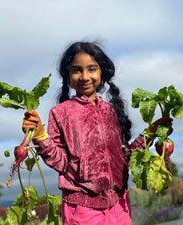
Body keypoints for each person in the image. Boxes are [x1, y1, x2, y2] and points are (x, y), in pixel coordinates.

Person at [22, 41, 172, 225]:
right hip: (82, 210)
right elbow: (60, 162)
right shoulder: (61, 112)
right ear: (67, 76)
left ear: (102, 72)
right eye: (76, 70)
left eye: (92, 69)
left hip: (119, 205)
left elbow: (126, 155)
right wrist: (39, 135)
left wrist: (151, 132)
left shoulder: (113, 111)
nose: (85, 76)